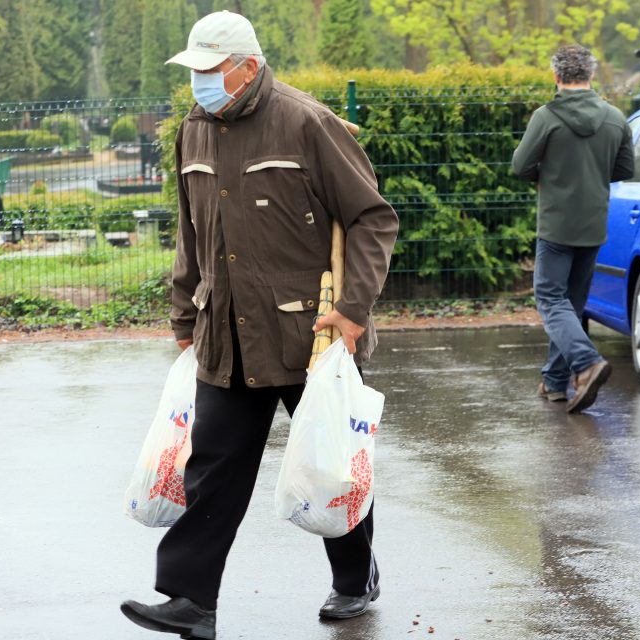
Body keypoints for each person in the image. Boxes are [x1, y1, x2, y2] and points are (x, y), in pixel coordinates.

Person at [120, 10, 399, 640]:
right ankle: (191, 601)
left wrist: (354, 311)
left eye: (211, 71)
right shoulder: (192, 130)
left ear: (248, 68)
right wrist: (184, 312)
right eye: (194, 72)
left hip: (313, 335)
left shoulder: (306, 121)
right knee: (213, 464)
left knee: (330, 464)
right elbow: (190, 234)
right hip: (226, 334)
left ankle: (355, 581)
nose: (200, 84)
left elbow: (373, 219)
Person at [512, 44, 634, 414]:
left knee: (550, 299)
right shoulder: (615, 118)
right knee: (571, 303)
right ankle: (555, 381)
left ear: (556, 76)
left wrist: (546, 176)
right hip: (594, 222)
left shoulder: (546, 117)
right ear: (591, 76)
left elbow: (520, 166)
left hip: (556, 222)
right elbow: (625, 170)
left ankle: (585, 363)